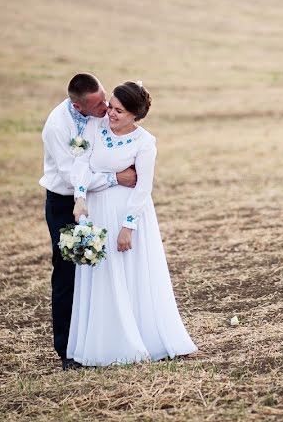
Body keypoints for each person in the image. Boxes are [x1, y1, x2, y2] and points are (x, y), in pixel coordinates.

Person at [67, 80, 197, 365]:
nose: (111, 114)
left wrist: (128, 227)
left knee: (130, 275)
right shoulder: (95, 127)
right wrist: (79, 198)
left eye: (119, 111)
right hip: (96, 211)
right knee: (100, 275)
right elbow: (81, 165)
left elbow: (143, 188)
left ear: (135, 115)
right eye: (111, 107)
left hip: (128, 215)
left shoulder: (144, 143)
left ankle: (142, 339)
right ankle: (101, 343)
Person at [40, 73, 137, 370]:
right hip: (64, 203)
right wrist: (116, 177)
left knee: (101, 271)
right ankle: (67, 348)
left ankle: (100, 339)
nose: (106, 107)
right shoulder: (57, 126)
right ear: (78, 106)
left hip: (100, 201)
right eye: (98, 104)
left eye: (105, 97)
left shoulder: (101, 113)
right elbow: (74, 176)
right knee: (69, 270)